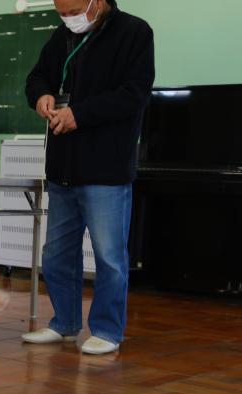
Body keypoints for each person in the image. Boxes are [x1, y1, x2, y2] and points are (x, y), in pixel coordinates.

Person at [22, 0, 154, 354]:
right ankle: (64, 324)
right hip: (62, 167)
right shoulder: (61, 36)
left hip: (106, 170)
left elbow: (134, 94)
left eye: (73, 10)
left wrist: (80, 114)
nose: (68, 19)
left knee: (109, 256)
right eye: (60, 13)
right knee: (55, 255)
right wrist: (41, 96)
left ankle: (108, 331)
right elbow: (36, 77)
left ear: (97, 2)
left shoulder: (135, 32)